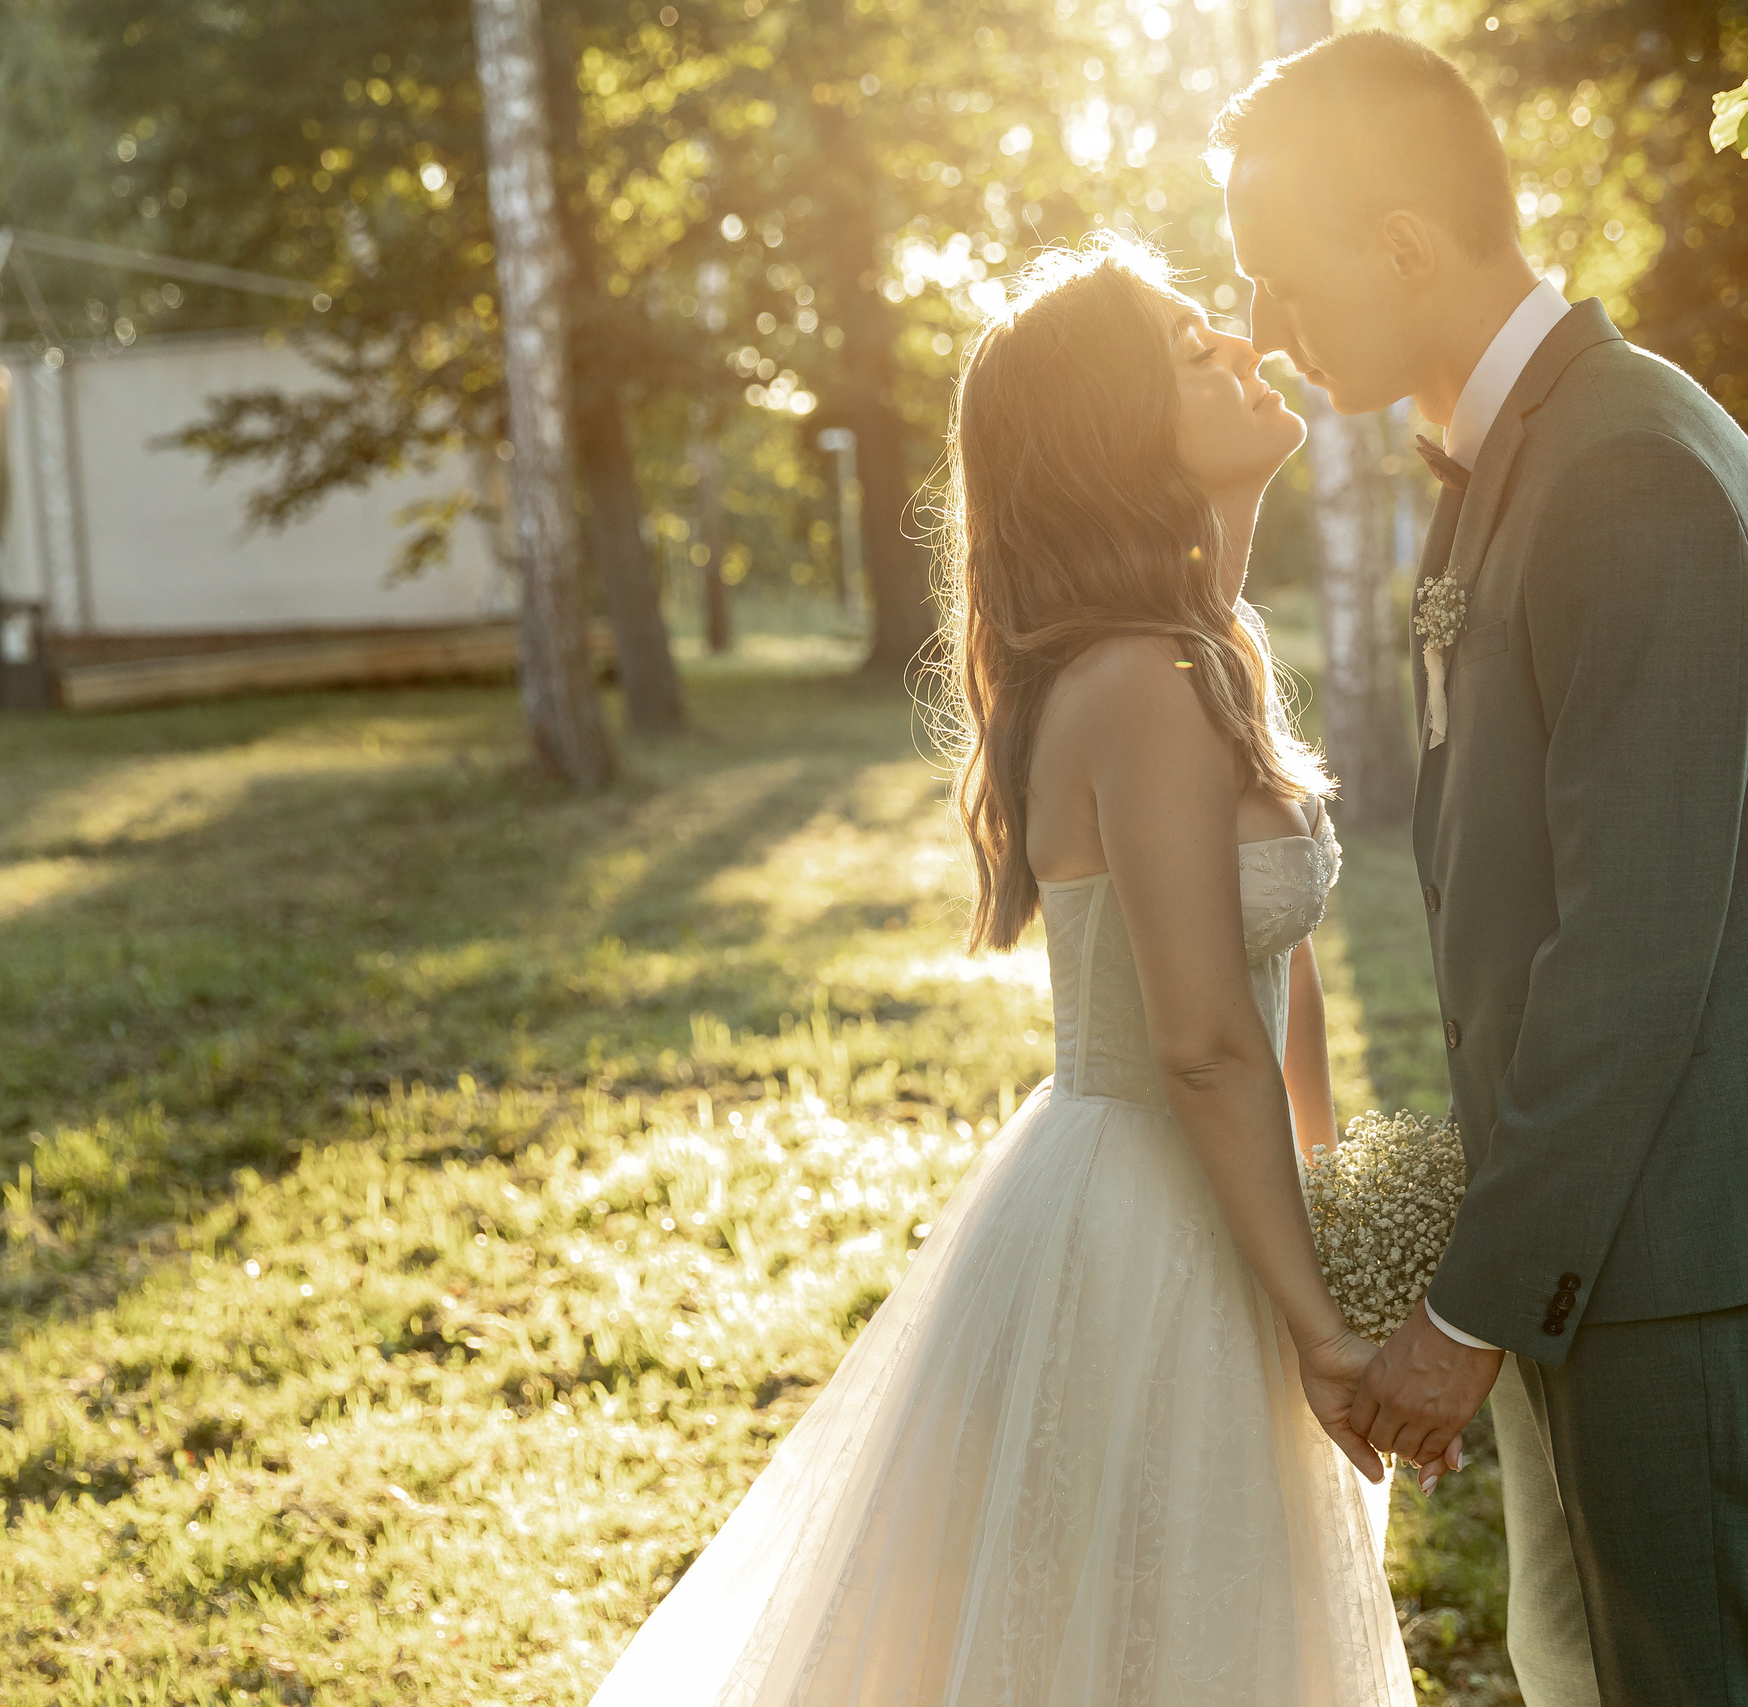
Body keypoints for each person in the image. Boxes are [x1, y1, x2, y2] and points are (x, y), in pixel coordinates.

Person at [584, 234, 1419, 1707]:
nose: (1244, 346)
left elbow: (1273, 971)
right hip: (1149, 1222)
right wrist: (1324, 1333)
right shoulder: (1142, 683)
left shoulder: (1204, 647)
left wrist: (1332, 1203)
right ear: (1119, 435)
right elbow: (1199, 1045)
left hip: (1231, 1196)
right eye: (1192, 350)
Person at [1212, 32, 1748, 1707]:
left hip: (1685, 1237)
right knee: (1588, 1673)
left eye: (1281, 276)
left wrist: (1468, 1311)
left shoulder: (1626, 471)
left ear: (1402, 244)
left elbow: (1635, 948)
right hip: (1605, 1221)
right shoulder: (1528, 448)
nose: (1266, 328)